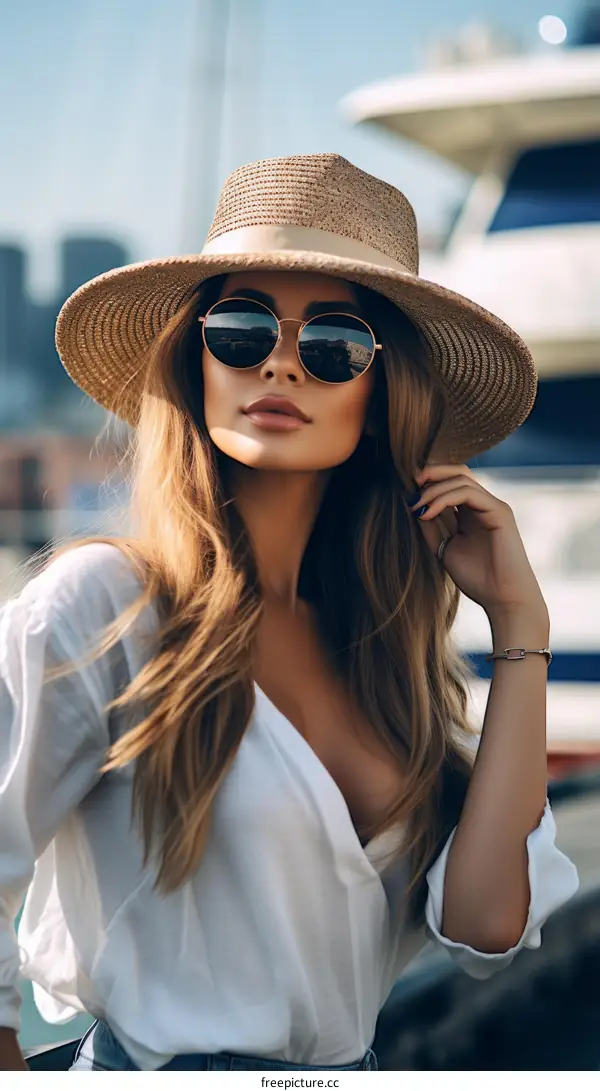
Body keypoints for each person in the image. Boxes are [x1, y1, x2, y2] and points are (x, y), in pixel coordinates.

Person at [0, 154, 579, 1072]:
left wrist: (521, 631)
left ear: (380, 392)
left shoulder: (389, 656)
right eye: (239, 326)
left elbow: (486, 924)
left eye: (334, 345)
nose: (279, 359)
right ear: (195, 361)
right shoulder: (105, 609)